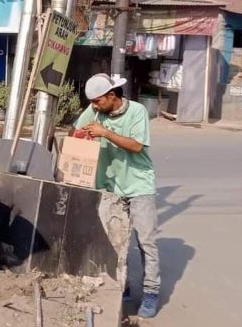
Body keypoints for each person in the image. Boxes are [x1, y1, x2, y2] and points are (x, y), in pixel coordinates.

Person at [70, 73, 160, 319]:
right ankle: (123, 286)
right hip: (109, 188)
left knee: (146, 241)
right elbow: (73, 134)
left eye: (98, 101)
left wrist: (105, 133)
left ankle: (151, 291)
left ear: (112, 96)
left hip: (139, 186)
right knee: (114, 243)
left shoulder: (137, 111)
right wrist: (81, 136)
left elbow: (137, 146)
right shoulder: (95, 112)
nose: (94, 106)